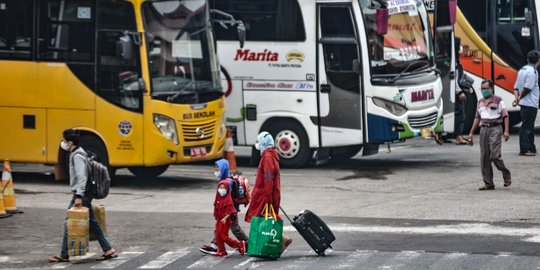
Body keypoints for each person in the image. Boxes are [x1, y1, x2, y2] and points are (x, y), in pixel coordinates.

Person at [48, 129, 117, 263]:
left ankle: (64, 254)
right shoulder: (78, 152)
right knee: (92, 223)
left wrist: (79, 196)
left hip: (82, 194)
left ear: (70, 143)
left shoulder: (77, 156)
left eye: (64, 141)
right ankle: (108, 249)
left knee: (69, 222)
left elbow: (82, 178)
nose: (63, 143)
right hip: (84, 193)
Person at [245, 131, 292, 251]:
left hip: (264, 195)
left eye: (259, 142)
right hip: (267, 194)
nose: (257, 144)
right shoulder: (271, 156)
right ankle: (281, 240)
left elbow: (268, 179)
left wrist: (267, 196)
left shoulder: (267, 158)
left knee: (260, 220)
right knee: (266, 220)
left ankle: (262, 246)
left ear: (264, 143)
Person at [468, 80, 512, 190]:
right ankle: (488, 183)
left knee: (495, 155)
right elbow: (477, 118)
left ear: (491, 88)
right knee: (484, 157)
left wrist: (506, 131)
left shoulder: (498, 100)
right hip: (483, 130)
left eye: (486, 88)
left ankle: (505, 173)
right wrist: (471, 133)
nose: (484, 91)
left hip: (495, 129)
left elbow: (505, 116)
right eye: (482, 89)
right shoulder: (480, 102)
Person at [199, 159, 248, 255]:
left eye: (218, 169)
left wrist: (226, 214)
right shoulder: (226, 179)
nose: (216, 171)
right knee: (221, 228)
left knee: (232, 228)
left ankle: (247, 244)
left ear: (223, 169)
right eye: (216, 169)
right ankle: (215, 246)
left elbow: (226, 199)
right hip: (228, 209)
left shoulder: (227, 182)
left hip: (229, 210)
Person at [513, 50, 540, 156]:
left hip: (525, 103)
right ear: (538, 60)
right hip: (530, 103)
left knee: (529, 126)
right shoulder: (532, 72)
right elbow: (527, 88)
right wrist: (519, 98)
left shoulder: (522, 70)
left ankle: (531, 147)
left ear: (528, 59)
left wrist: (517, 98)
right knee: (526, 127)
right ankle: (524, 149)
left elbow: (515, 88)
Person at [213, 180, 246, 257]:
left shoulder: (228, 199)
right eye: (220, 187)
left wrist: (225, 218)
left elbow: (231, 211)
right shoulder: (218, 198)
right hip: (219, 219)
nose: (221, 189)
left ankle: (239, 245)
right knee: (218, 235)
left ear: (227, 189)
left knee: (223, 236)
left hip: (225, 220)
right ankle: (222, 250)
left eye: (224, 188)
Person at [455, 37, 471, 145]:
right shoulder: (454, 63)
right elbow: (454, 79)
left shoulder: (455, 61)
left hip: (457, 90)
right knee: (460, 114)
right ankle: (458, 137)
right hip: (456, 93)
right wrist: (459, 92)